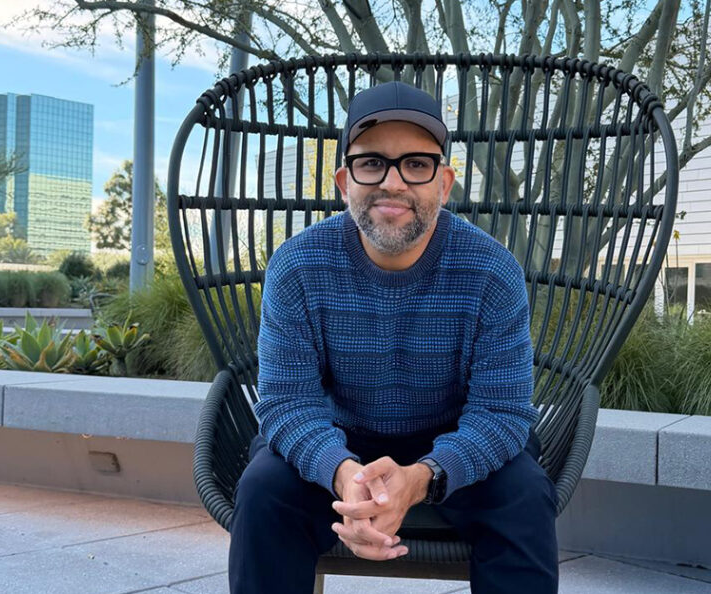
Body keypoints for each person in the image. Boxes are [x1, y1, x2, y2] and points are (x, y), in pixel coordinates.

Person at [228, 81, 559, 594]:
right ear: (345, 181)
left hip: (454, 439)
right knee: (264, 489)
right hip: (339, 437)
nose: (393, 182)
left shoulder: (493, 271)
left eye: (417, 164)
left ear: (444, 183)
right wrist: (344, 473)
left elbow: (502, 412)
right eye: (371, 163)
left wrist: (422, 476)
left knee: (524, 493)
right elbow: (287, 403)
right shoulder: (297, 267)